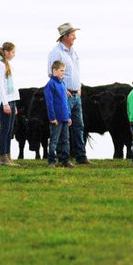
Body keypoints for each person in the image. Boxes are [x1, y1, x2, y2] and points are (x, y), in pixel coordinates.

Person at [48, 22, 90, 164]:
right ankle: (63, 157)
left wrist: (78, 87)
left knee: (79, 126)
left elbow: (75, 72)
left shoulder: (73, 52)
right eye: (72, 35)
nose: (74, 37)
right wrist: (63, 90)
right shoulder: (56, 52)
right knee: (62, 127)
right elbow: (51, 73)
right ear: (65, 36)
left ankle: (81, 156)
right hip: (65, 94)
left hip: (76, 93)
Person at [0, 41, 20, 167]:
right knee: (4, 129)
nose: (14, 54)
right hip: (4, 101)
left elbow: (13, 85)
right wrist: (5, 103)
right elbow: (1, 86)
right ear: (6, 52)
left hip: (11, 100)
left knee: (9, 130)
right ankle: (3, 157)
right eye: (12, 52)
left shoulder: (8, 64)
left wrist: (14, 103)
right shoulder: (0, 65)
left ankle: (8, 156)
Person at [44, 61, 73, 168]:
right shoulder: (50, 85)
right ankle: (52, 160)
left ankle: (65, 160)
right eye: (61, 71)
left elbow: (66, 102)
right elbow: (49, 103)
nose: (63, 73)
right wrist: (52, 118)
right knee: (54, 140)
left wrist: (69, 116)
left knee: (66, 140)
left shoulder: (63, 84)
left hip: (65, 117)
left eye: (63, 71)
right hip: (56, 119)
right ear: (54, 70)